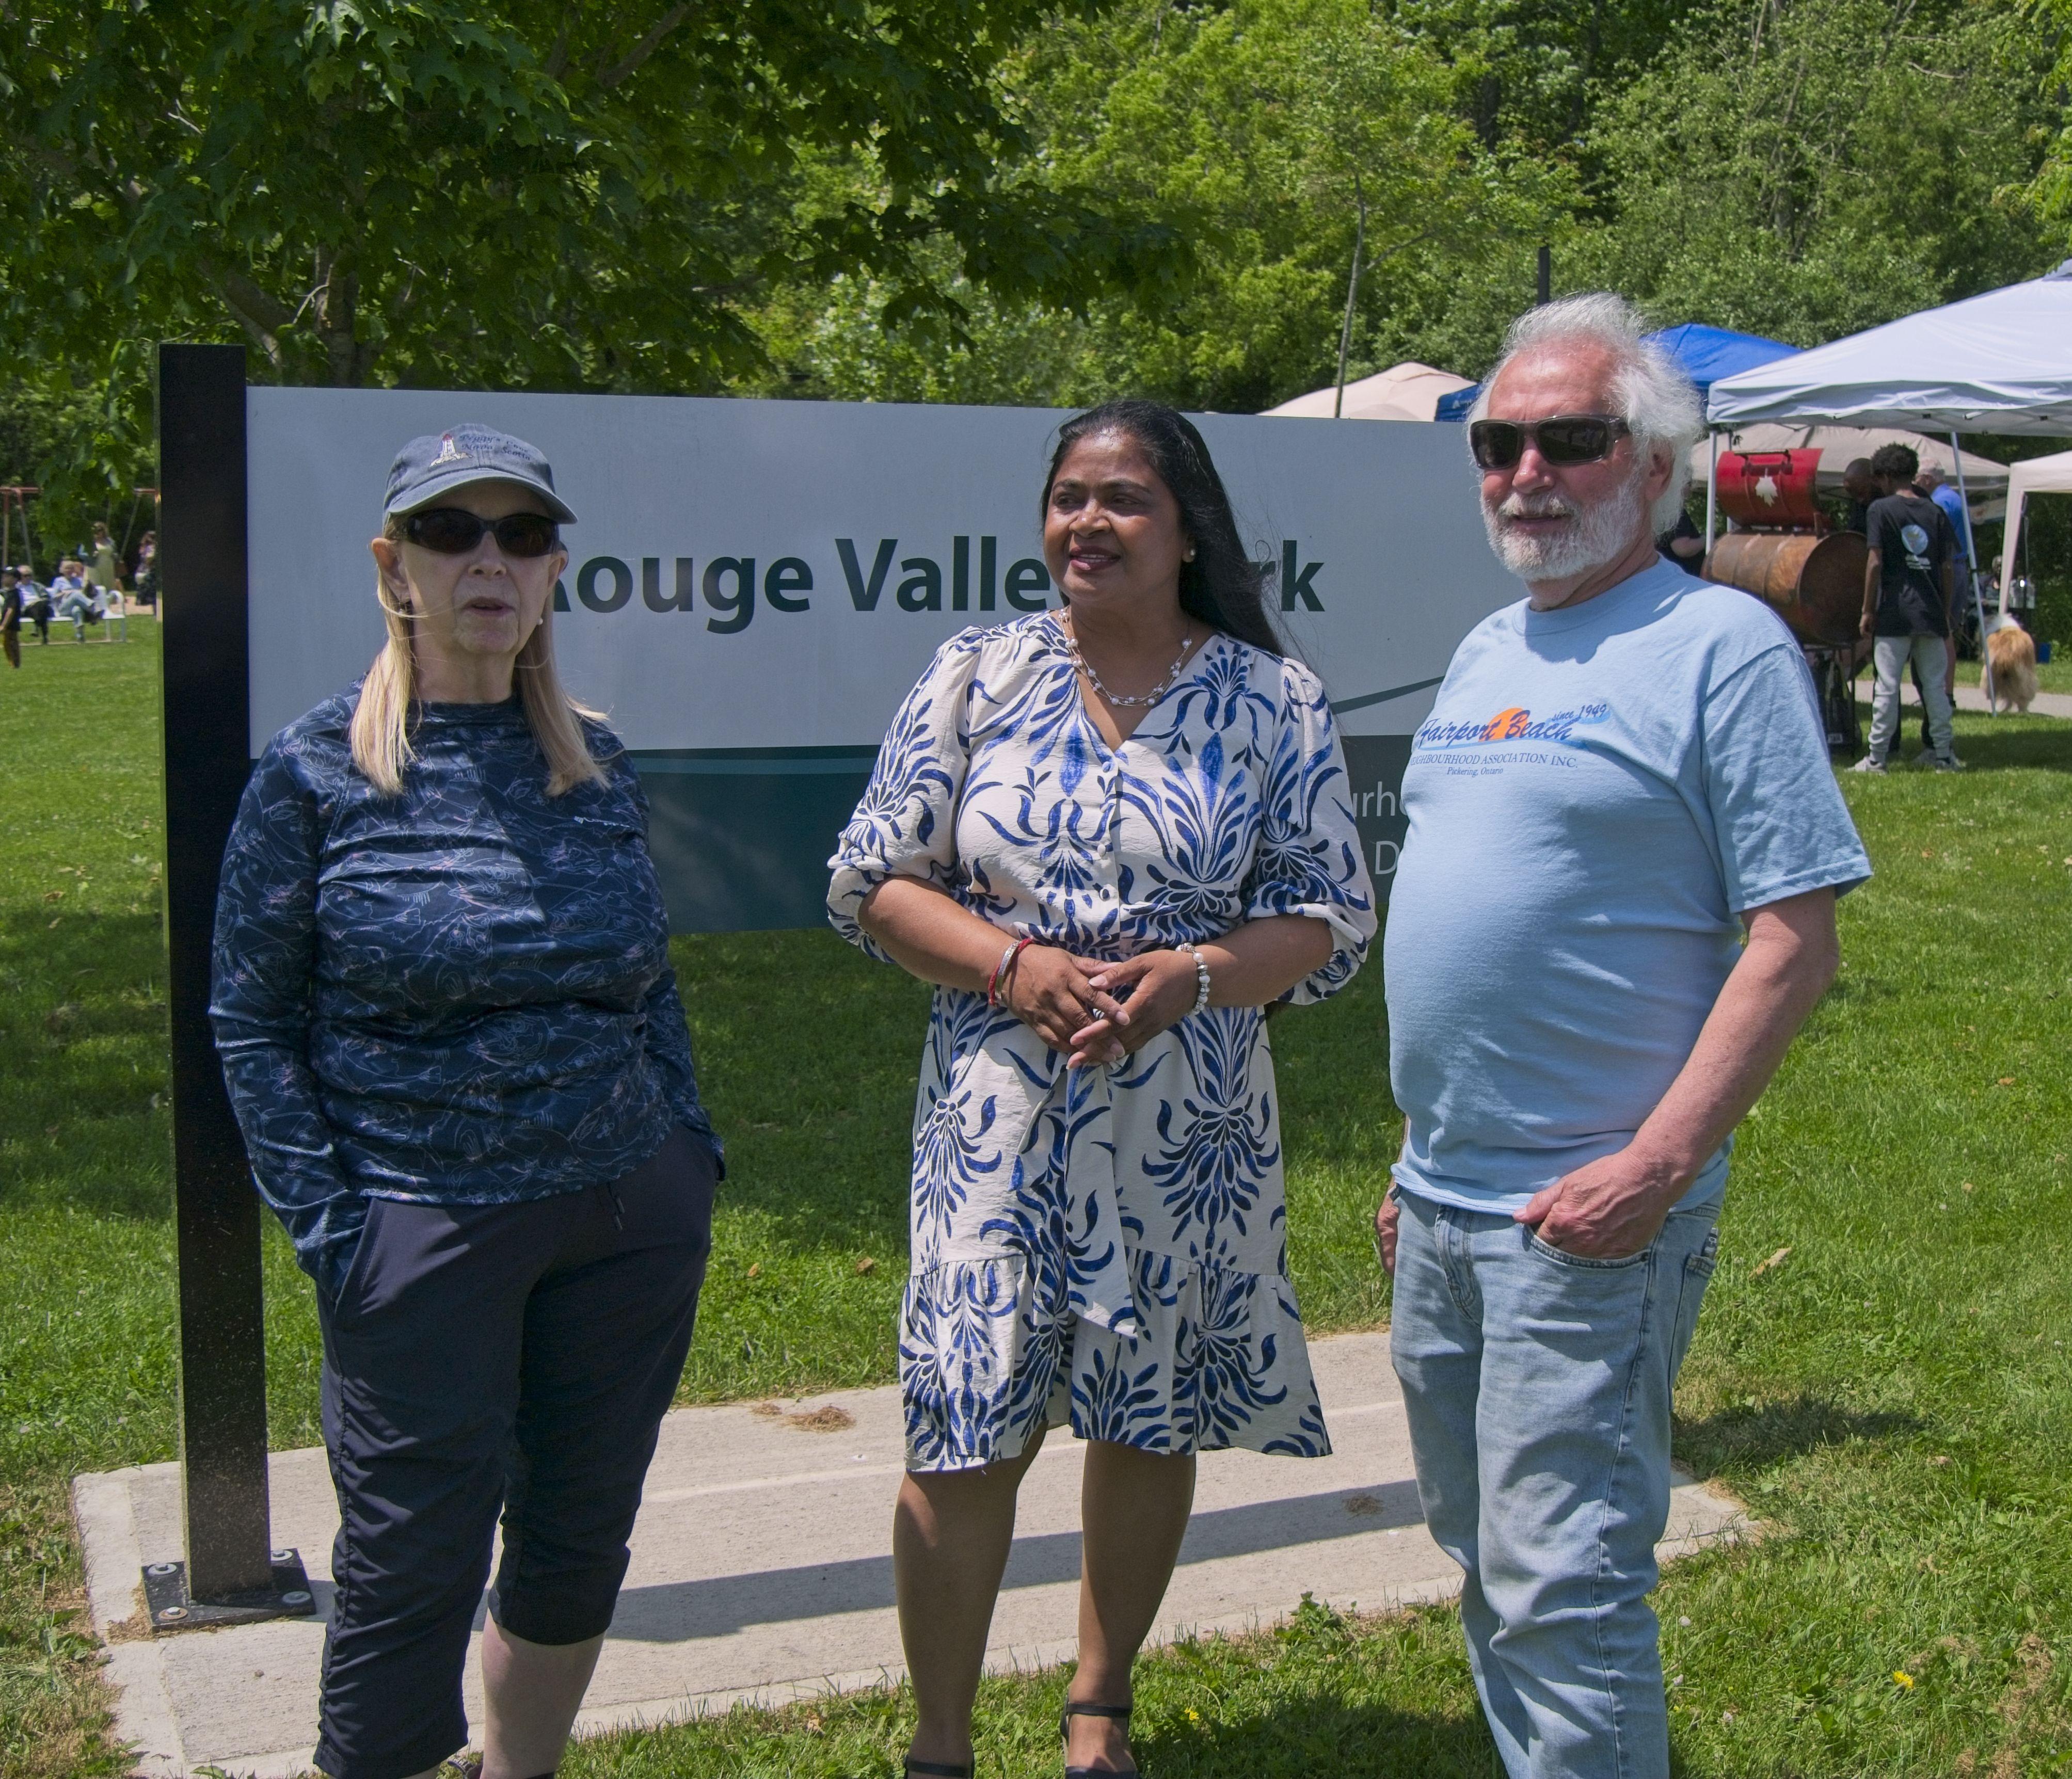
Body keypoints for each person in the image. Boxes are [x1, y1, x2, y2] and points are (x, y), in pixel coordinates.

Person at [829, 399, 1375, 1779]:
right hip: (995, 1114)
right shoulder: (977, 672)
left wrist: (1192, 973)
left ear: (1187, 528)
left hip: (1185, 1116)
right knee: (962, 1420)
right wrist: (1011, 964)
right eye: (1068, 495)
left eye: (1123, 497)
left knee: (1148, 1409)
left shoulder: (1272, 698)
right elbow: (872, 881)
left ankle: (1098, 1708)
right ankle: (938, 1745)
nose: (1088, 520)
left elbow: (1325, 918)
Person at [1373, 294, 1870, 1779]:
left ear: (1652, 465)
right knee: (1483, 1546)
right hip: (1443, 1199)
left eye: (1569, 440)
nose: (1524, 472)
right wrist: (1414, 1154)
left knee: (1563, 1582)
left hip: (1587, 1214)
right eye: (1497, 444)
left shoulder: (1720, 644)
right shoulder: (1487, 647)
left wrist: (1654, 1166)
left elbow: (1792, 940)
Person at [210, 423, 723, 1779]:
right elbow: (250, 1020)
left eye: (520, 534)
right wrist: (340, 1231)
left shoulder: (597, 760)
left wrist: (687, 1147)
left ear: (551, 569)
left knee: (576, 1536)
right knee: (407, 1562)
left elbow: (647, 981)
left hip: (626, 1217)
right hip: (419, 1222)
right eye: (450, 532)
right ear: (396, 567)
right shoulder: (314, 771)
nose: (487, 560)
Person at [1855, 441, 1961, 772]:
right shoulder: (1934, 511)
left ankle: (1877, 758)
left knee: (1887, 686)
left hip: (1895, 612)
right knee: (1935, 687)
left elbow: (1875, 562)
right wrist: (1944, 610)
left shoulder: (1880, 510)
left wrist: (1867, 609)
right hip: (1930, 611)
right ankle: (1942, 754)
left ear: (1886, 477)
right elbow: (1947, 566)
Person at [52, 559, 94, 640]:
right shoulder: (59, 581)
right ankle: (92, 609)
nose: (69, 570)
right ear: (62, 570)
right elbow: (54, 597)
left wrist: (75, 592)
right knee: (76, 593)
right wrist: (64, 593)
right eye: (67, 568)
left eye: (71, 568)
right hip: (63, 608)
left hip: (75, 607)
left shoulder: (78, 580)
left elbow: (83, 595)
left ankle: (80, 636)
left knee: (77, 609)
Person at [86, 521, 123, 599]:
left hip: (108, 565)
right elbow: (81, 554)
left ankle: (109, 600)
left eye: (100, 530)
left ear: (104, 531)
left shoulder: (110, 541)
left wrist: (115, 556)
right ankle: (96, 600)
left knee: (108, 583)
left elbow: (115, 552)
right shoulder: (89, 541)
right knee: (96, 583)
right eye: (95, 531)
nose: (98, 532)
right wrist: (91, 555)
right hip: (94, 565)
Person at [1, 567, 21, 669]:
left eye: (7, 576)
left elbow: (11, 610)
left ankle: (15, 663)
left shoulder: (14, 593)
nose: (3, 578)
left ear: (15, 580)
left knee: (11, 643)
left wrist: (4, 625)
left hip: (11, 623)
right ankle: (13, 663)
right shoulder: (7, 593)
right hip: (7, 622)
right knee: (6, 643)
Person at [134, 531, 159, 611]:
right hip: (148, 571)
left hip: (141, 572)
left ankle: (141, 600)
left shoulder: (144, 548)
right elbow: (149, 558)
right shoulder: (151, 547)